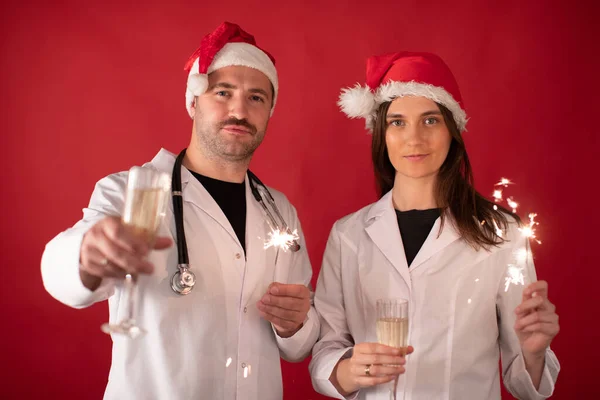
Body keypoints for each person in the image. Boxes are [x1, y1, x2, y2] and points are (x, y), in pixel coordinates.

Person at [41, 21, 319, 400]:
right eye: (223, 92)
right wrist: (87, 255)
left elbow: (298, 345)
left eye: (257, 97)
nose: (239, 109)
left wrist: (296, 324)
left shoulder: (279, 211)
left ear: (270, 111)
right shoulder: (130, 190)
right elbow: (62, 276)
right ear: (193, 102)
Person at [309, 52, 560, 399]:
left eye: (430, 120)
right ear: (381, 134)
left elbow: (525, 384)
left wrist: (533, 353)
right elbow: (326, 349)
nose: (414, 138)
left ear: (452, 131)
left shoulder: (502, 234)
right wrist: (350, 370)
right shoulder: (348, 235)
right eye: (397, 122)